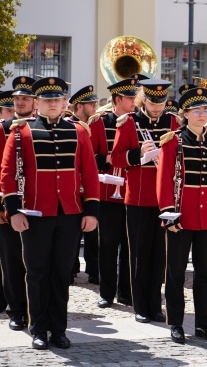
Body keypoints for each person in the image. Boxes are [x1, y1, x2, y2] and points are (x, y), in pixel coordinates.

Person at [1, 77, 99, 350]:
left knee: (61, 273)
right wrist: (13, 211)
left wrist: (91, 211)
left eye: (57, 99)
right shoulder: (21, 132)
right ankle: (38, 329)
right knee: (36, 273)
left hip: (69, 214)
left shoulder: (78, 132)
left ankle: (59, 329)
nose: (53, 104)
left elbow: (89, 174)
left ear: (65, 102)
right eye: (47, 100)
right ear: (37, 104)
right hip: (34, 214)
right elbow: (7, 175)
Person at [157, 87, 207, 343]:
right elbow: (164, 180)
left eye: (205, 110)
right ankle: (176, 323)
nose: (202, 114)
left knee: (204, 274)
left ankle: (202, 323)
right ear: (185, 114)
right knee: (176, 272)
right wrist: (168, 214)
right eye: (196, 110)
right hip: (181, 216)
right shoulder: (173, 141)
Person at [111, 79, 180, 324]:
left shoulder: (173, 122)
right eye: (153, 102)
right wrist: (139, 153)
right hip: (138, 197)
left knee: (160, 255)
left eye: (161, 103)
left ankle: (155, 305)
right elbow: (116, 158)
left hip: (165, 198)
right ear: (144, 100)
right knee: (139, 254)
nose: (157, 108)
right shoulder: (129, 122)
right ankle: (139, 305)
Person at [88, 78, 137, 308]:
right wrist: (107, 159)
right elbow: (88, 159)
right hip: (107, 193)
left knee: (129, 246)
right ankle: (106, 293)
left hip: (131, 193)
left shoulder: (136, 123)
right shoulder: (99, 122)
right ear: (117, 100)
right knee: (107, 246)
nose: (134, 102)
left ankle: (125, 293)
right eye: (130, 98)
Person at [0, 76, 36, 331]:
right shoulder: (3, 128)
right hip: (9, 206)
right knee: (12, 261)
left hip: (38, 205)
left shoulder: (42, 127)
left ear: (35, 101)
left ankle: (37, 311)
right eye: (17, 99)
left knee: (38, 263)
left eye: (25, 98)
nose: (20, 102)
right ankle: (16, 311)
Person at [68, 85, 100, 285]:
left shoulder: (94, 124)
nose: (95, 107)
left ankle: (94, 270)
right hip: (72, 189)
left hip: (90, 187)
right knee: (71, 234)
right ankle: (71, 270)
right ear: (80, 106)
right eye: (91, 104)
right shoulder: (69, 126)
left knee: (93, 233)